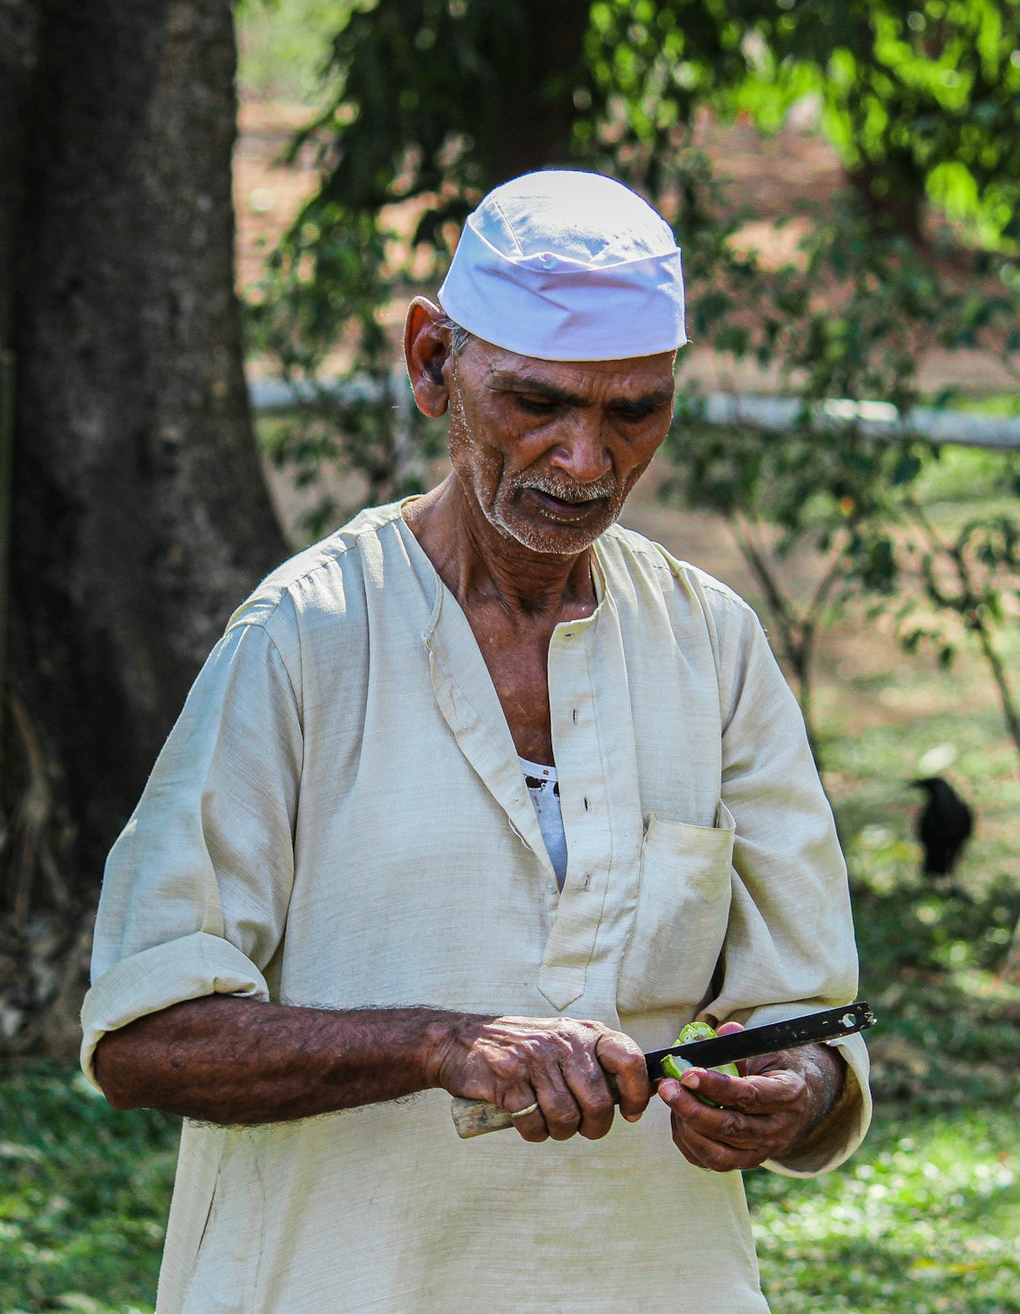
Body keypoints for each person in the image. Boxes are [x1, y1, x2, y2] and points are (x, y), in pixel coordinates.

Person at [82, 170, 871, 1313]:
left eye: (631, 412)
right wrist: (438, 1044)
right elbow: (143, 1037)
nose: (585, 460)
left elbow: (812, 1016)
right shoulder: (304, 639)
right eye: (537, 403)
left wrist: (794, 1085)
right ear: (432, 362)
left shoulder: (713, 646)